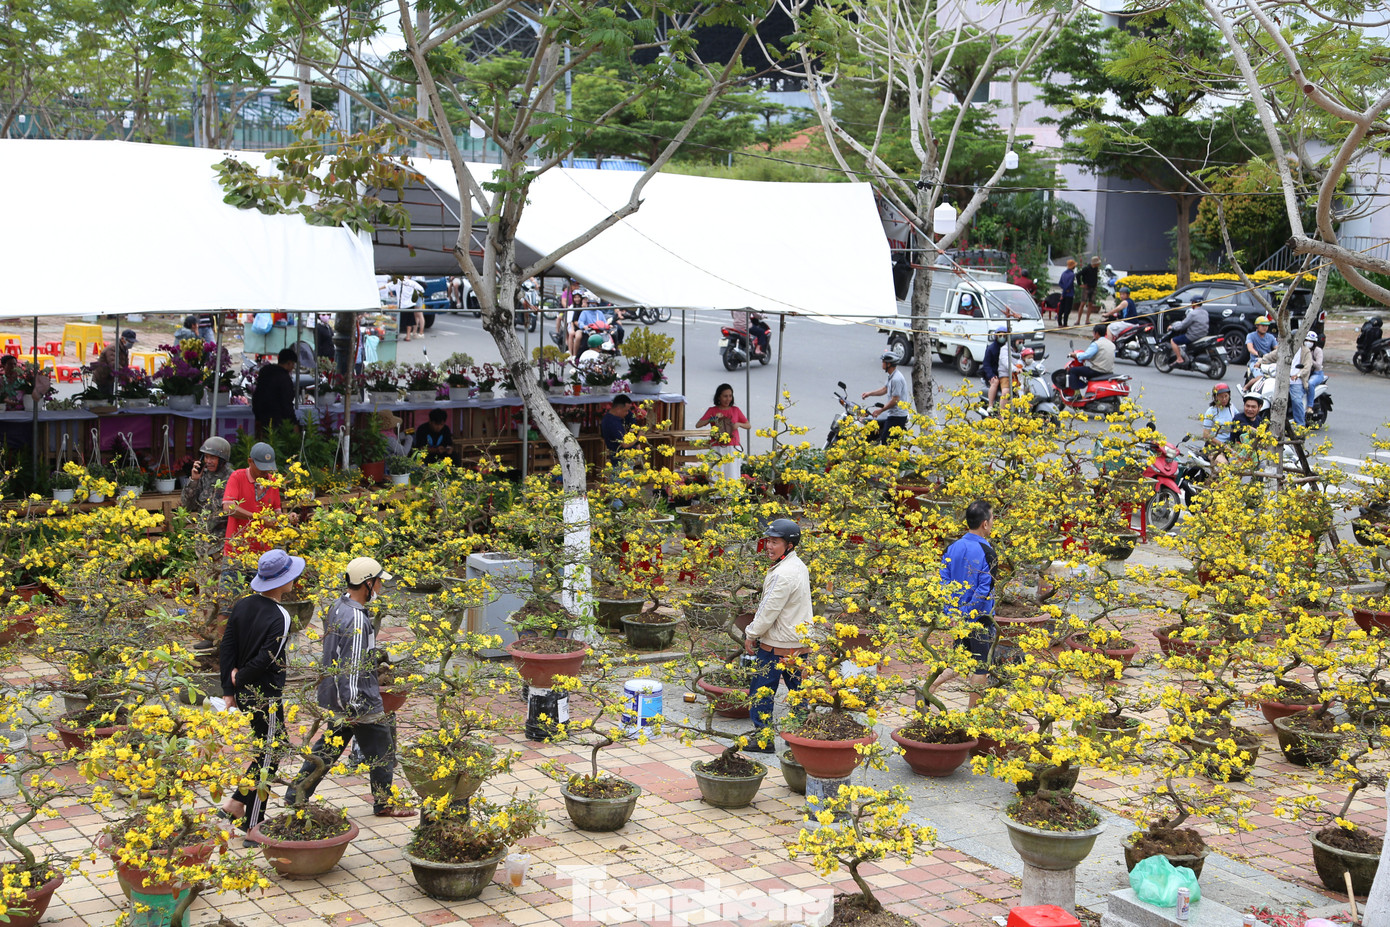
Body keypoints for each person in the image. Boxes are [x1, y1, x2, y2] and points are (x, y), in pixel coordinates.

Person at [283, 557, 417, 819]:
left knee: (330, 746)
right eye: (378, 581)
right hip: (357, 698)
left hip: (336, 692)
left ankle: (296, 793)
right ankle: (383, 803)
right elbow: (352, 664)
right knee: (382, 748)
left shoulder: (338, 605)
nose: (380, 586)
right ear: (368, 582)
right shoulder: (356, 618)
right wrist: (355, 703)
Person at [219, 548, 304, 837]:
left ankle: (238, 804)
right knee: (270, 752)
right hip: (264, 695)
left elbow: (227, 647)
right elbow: (267, 658)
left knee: (271, 748)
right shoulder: (281, 616)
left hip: (246, 692)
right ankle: (251, 821)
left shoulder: (243, 605)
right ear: (280, 582)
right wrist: (240, 680)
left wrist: (229, 687)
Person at [742, 518, 812, 752]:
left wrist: (751, 633)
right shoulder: (798, 565)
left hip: (777, 644)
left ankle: (763, 739)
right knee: (798, 692)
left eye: (774, 542)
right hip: (798, 641)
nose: (769, 547)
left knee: (761, 691)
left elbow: (768, 610)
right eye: (768, 541)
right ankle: (803, 738)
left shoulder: (783, 573)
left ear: (789, 545)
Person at [939, 500, 999, 703]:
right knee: (980, 666)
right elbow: (984, 590)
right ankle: (973, 714)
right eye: (992, 518)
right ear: (985, 523)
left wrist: (953, 613)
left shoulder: (951, 548)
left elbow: (944, 583)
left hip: (957, 617)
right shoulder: (988, 553)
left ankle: (928, 687)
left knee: (959, 661)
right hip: (979, 618)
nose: (993, 522)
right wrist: (966, 613)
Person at [222, 442, 285, 568]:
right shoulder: (237, 477)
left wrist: (286, 518)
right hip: (236, 553)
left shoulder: (272, 482)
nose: (265, 471)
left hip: (265, 555)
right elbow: (228, 507)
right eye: (261, 467)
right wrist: (257, 517)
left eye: (268, 467)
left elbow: (276, 511)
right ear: (250, 461)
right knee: (231, 587)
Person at [695, 383, 751, 482]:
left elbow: (748, 425)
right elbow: (698, 424)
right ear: (719, 397)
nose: (728, 399)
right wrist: (713, 418)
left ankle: (732, 496)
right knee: (716, 472)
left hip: (733, 446)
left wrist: (738, 424)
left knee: (732, 473)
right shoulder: (712, 410)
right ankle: (716, 496)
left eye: (730, 396)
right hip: (717, 446)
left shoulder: (735, 410)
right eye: (725, 396)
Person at [861, 352, 910, 443]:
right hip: (892, 414)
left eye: (883, 361)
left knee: (888, 442)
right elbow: (885, 389)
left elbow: (895, 400)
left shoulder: (896, 379)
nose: (882, 363)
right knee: (886, 439)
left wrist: (880, 410)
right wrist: (869, 393)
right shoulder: (892, 376)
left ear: (889, 364)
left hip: (898, 416)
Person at [252, 347, 298, 436]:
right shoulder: (284, 379)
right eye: (293, 364)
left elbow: (256, 396)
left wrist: (257, 418)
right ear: (289, 363)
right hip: (279, 421)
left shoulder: (265, 373)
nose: (293, 367)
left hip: (263, 419)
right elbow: (287, 404)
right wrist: (294, 423)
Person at [1066, 324, 1116, 393]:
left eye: (1093, 332)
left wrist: (1075, 355)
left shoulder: (1096, 344)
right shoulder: (1112, 344)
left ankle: (1076, 394)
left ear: (1096, 333)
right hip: (1109, 371)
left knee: (1073, 371)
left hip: (1097, 371)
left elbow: (1086, 355)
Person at [1291, 330, 1324, 428]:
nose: (1309, 342)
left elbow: (1318, 365)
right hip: (1303, 373)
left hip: (1316, 373)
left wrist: (1309, 360)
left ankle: (1309, 407)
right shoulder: (1301, 349)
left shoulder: (1317, 351)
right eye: (1307, 340)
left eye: (1311, 341)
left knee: (1310, 384)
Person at [1201, 383, 1236, 466]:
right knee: (1223, 465)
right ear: (1215, 397)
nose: (1224, 399)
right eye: (1221, 396)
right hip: (1213, 447)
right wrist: (1222, 445)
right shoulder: (1211, 411)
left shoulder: (1231, 408)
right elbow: (1206, 435)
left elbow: (1240, 421)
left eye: (1226, 396)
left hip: (1229, 447)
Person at [92, 329, 137, 394]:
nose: (131, 344)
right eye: (129, 341)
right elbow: (114, 364)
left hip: (110, 376)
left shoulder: (124, 348)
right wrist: (126, 375)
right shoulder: (113, 348)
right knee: (106, 397)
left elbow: (125, 364)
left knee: (110, 396)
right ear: (122, 339)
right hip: (103, 376)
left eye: (133, 342)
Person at [1168, 299, 1209, 367]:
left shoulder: (1192, 314)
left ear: (1194, 303)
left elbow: (1183, 325)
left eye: (1191, 302)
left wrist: (1172, 327)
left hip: (1193, 336)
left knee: (1173, 341)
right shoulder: (1205, 312)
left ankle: (1179, 359)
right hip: (1203, 335)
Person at [601, 394, 634, 459]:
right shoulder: (612, 423)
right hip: (620, 461)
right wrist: (638, 437)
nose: (627, 413)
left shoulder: (613, 418)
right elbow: (624, 444)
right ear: (618, 409)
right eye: (626, 410)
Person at [982, 326, 1008, 407]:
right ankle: (990, 405)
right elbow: (986, 364)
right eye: (1000, 336)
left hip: (1004, 372)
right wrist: (991, 375)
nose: (1002, 338)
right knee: (995, 382)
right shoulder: (991, 348)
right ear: (996, 336)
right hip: (993, 373)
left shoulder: (1008, 347)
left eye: (1004, 336)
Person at [397, 276, 424, 341]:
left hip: (404, 304)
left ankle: (419, 332)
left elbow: (388, 286)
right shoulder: (412, 282)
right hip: (410, 304)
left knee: (418, 315)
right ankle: (409, 335)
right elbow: (422, 289)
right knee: (411, 319)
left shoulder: (400, 282)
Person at [1078, 256, 1101, 324]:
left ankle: (1087, 320)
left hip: (1093, 287)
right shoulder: (1086, 268)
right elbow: (1078, 275)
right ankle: (1078, 320)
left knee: (1090, 304)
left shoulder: (1096, 269)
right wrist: (1080, 284)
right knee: (1082, 303)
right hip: (1087, 287)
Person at [1057, 259, 1077, 328]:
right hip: (1069, 293)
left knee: (1061, 309)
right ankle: (1065, 323)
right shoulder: (1072, 274)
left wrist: (1063, 290)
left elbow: (1060, 283)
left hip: (1063, 293)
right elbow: (1069, 284)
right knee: (1067, 309)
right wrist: (1066, 290)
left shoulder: (1063, 273)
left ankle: (1059, 323)